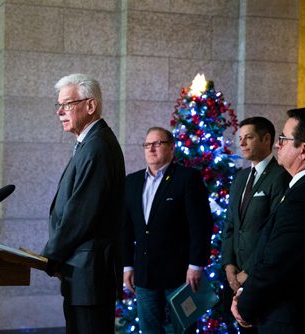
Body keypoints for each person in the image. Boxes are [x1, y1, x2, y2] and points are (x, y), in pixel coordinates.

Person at [231, 108, 305, 334]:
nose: (278, 145)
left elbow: (277, 264)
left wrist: (244, 305)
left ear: (303, 150)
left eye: (283, 139)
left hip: (296, 322)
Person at [41, 73, 125, 333]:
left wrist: (49, 257)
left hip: (91, 275)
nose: (60, 112)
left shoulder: (98, 146)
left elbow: (81, 215)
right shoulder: (89, 143)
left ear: (90, 105)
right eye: (59, 105)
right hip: (81, 272)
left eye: (66, 104)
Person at [122, 126, 213, 334]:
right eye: (147, 144)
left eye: (158, 143)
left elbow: (201, 225)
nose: (151, 148)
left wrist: (196, 265)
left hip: (180, 276)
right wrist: (127, 265)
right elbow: (125, 228)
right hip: (144, 276)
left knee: (184, 330)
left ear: (172, 148)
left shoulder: (187, 178)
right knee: (150, 330)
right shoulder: (132, 182)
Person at [221, 117, 291, 333]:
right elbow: (231, 224)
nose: (241, 143)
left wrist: (248, 272)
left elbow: (273, 232)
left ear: (267, 139)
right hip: (235, 276)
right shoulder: (240, 177)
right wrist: (228, 265)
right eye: (240, 138)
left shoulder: (280, 176)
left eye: (249, 137)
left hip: (260, 276)